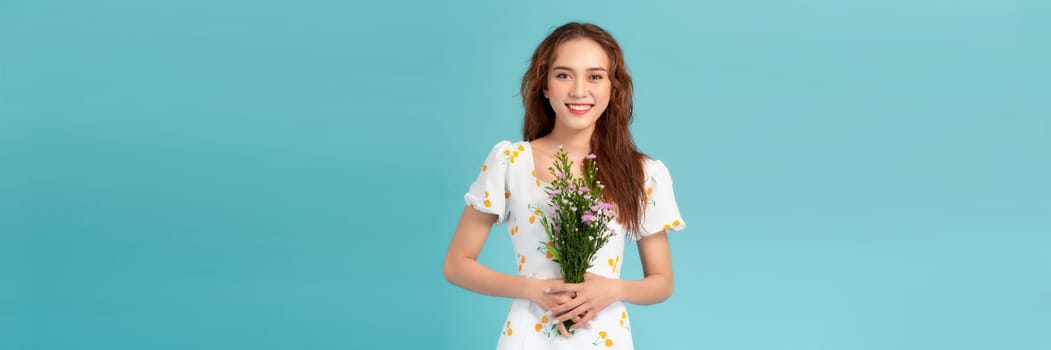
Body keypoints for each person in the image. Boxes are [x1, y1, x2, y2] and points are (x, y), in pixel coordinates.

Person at [443, 22, 686, 350]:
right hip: (528, 336)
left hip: (606, 337)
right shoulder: (510, 162)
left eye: (595, 76)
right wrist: (532, 290)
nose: (579, 90)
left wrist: (612, 290)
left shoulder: (642, 173)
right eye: (563, 75)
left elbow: (662, 282)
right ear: (544, 86)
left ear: (613, 87)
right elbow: (457, 265)